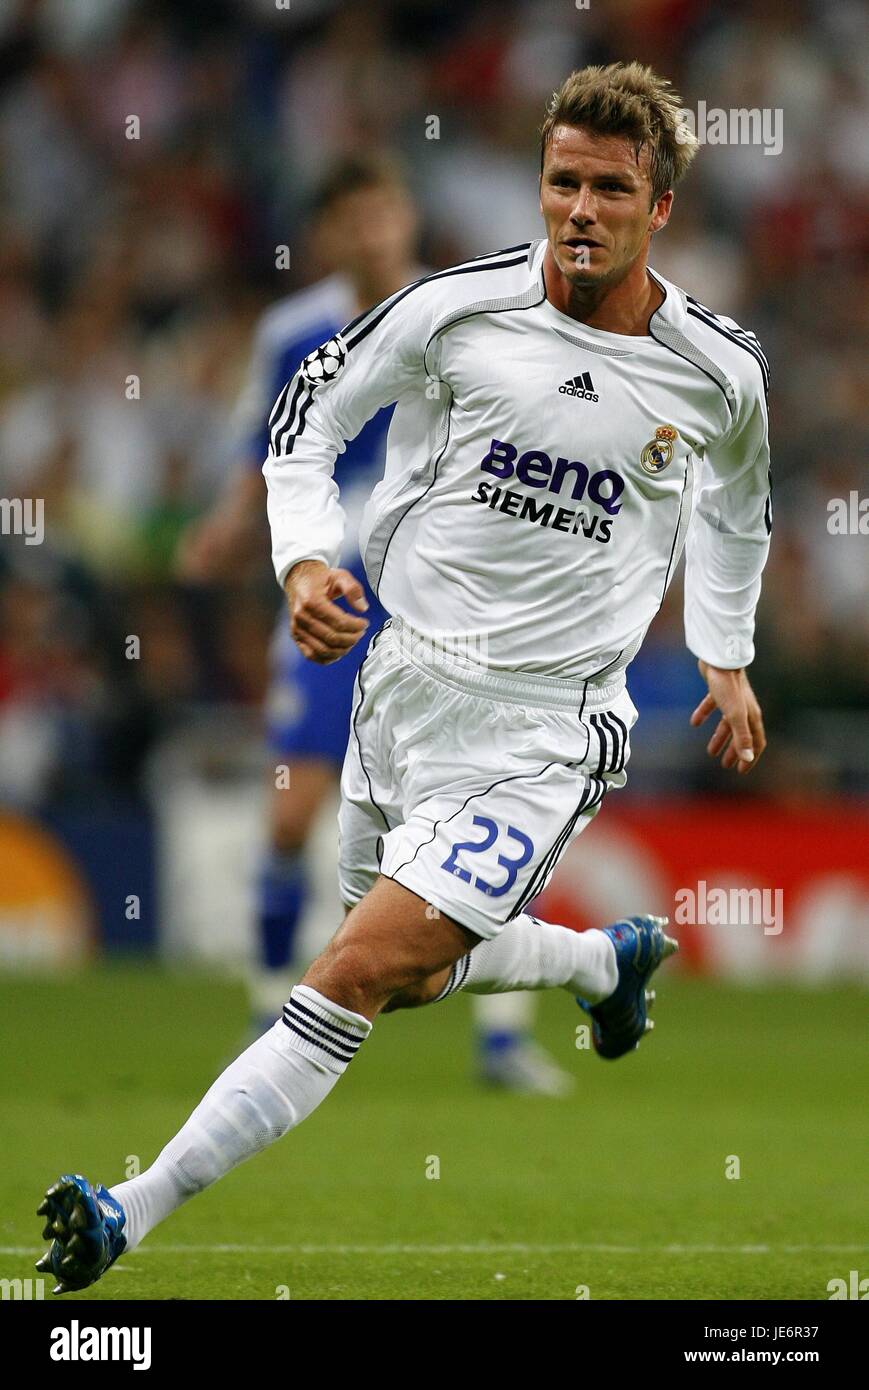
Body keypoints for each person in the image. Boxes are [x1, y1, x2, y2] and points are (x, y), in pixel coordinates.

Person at [37, 61, 770, 1295]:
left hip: (546, 732)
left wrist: (729, 650)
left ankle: (129, 1206)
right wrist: (303, 559)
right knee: (417, 973)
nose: (577, 210)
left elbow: (740, 509)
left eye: (607, 189)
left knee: (355, 971)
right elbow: (305, 422)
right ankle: (601, 963)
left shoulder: (717, 372)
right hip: (397, 692)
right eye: (559, 182)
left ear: (659, 207)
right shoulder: (455, 309)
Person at [177, 152, 573, 1095]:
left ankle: (503, 1041)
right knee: (290, 814)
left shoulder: (454, 310)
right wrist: (229, 532)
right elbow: (269, 451)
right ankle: (267, 1004)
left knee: (488, 807)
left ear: (405, 218)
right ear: (325, 234)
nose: (372, 231)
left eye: (384, 211)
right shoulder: (292, 331)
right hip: (334, 594)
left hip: (442, 595)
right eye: (351, 217)